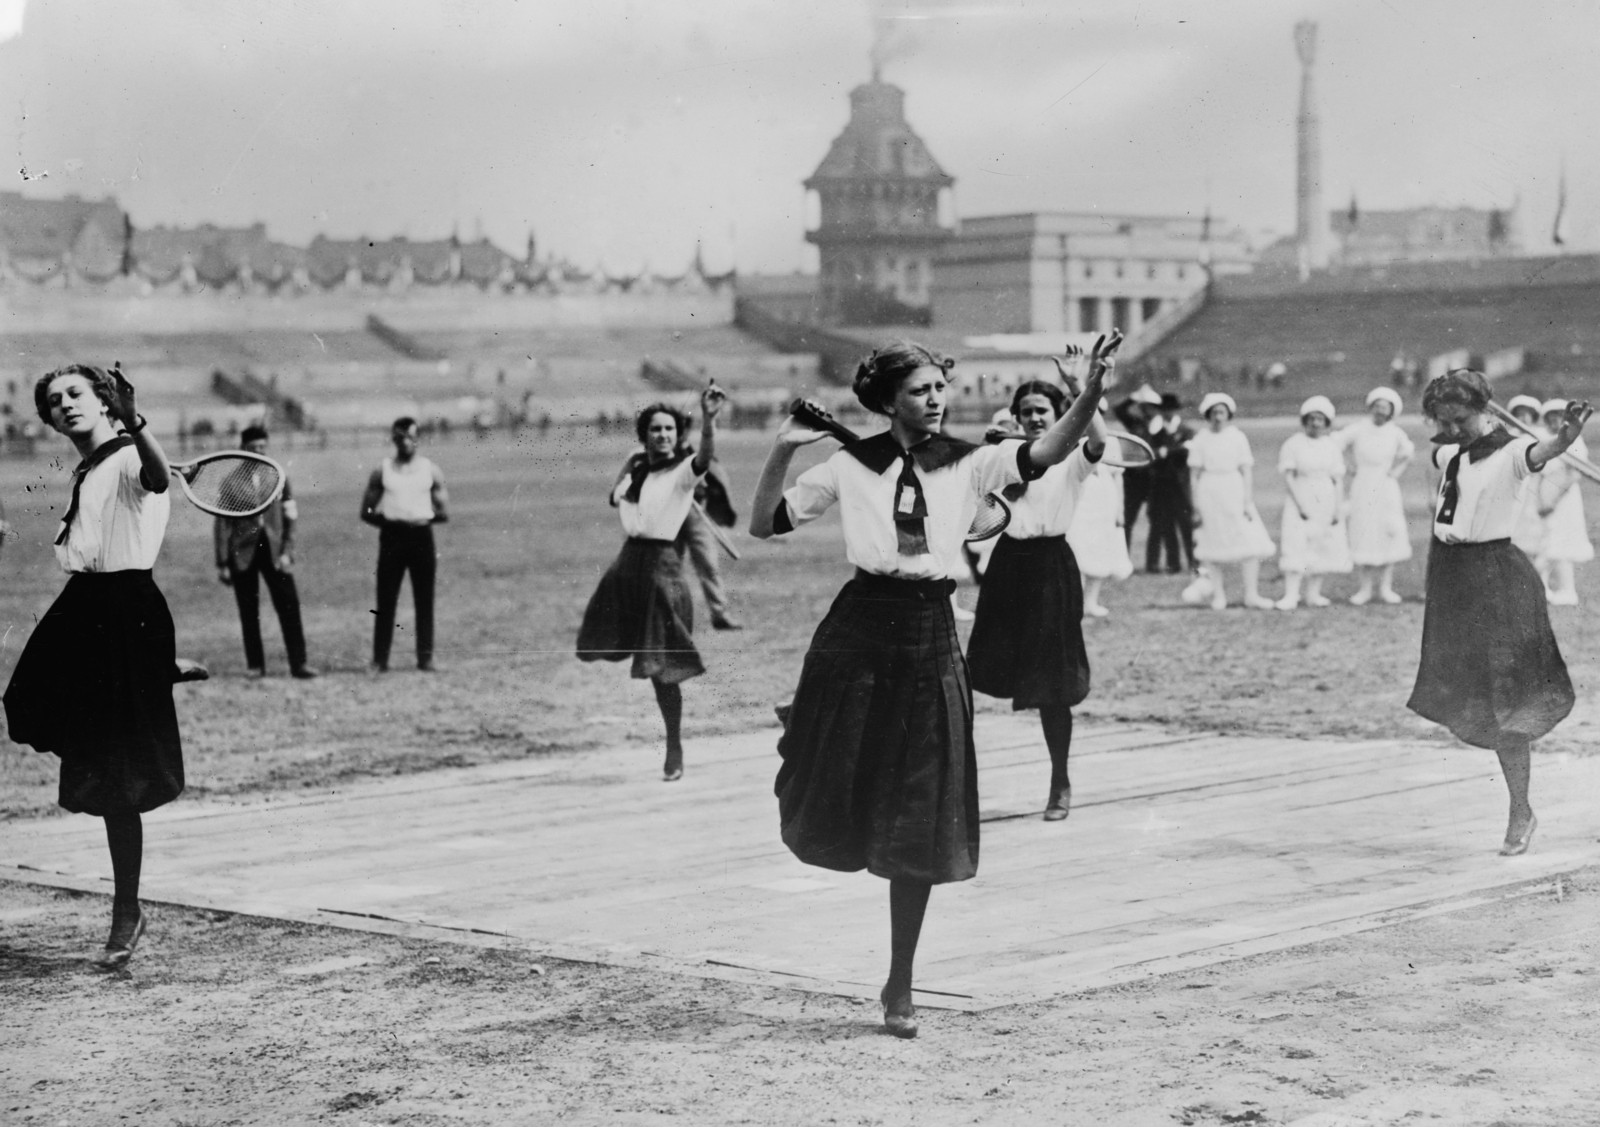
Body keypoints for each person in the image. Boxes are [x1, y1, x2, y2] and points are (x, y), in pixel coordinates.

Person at [749, 335, 1116, 1039]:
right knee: (835, 768)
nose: (936, 399)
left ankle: (900, 983)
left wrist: (1090, 391)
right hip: (858, 627)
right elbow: (765, 523)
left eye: (940, 387)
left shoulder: (975, 462)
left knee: (922, 803)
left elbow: (1051, 450)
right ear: (887, 401)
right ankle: (813, 727)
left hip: (928, 631)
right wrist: (783, 450)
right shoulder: (848, 465)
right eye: (920, 390)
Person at [3, 364, 182, 967]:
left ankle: (127, 911)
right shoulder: (92, 465)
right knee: (25, 702)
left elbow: (155, 478)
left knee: (116, 777)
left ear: (104, 400)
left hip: (125, 609)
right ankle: (155, 674)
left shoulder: (131, 453)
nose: (65, 405)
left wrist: (135, 422)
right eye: (54, 402)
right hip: (87, 611)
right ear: (50, 420)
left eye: (76, 393)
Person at [1407, 369, 1588, 857]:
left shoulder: (1512, 453)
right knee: (1472, 696)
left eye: (1459, 419)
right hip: (1454, 578)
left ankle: (1520, 811)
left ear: (1483, 411)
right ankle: (1520, 804)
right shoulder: (1450, 449)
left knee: (1508, 702)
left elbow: (1539, 454)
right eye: (1443, 421)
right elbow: (1440, 452)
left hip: (1498, 579)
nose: (1451, 429)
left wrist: (1563, 439)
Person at [969, 363, 1108, 821]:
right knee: (971, 675)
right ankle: (956, 786)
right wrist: (1000, 447)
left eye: (1043, 410)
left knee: (1053, 685)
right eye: (1025, 411)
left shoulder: (1071, 459)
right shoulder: (1003, 457)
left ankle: (1059, 783)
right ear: (1014, 417)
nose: (1034, 418)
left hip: (1052, 570)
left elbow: (1099, 442)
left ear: (1058, 413)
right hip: (1008, 567)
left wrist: (1079, 386)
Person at [578, 386, 726, 781]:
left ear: (678, 435)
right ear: (644, 435)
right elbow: (616, 497)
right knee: (604, 638)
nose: (662, 435)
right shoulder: (636, 469)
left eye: (669, 430)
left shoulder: (683, 473)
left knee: (661, 667)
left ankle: (673, 746)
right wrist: (631, 465)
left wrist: (708, 420)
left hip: (662, 567)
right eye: (655, 430)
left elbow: (705, 458)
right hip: (627, 565)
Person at [214, 424, 317, 678]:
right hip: (242, 553)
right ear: (243, 449)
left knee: (289, 604)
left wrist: (287, 551)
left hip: (274, 550)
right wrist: (223, 562)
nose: (258, 451)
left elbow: (291, 516)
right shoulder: (229, 482)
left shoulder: (279, 476)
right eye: (253, 448)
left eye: (262, 447)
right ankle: (255, 666)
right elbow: (222, 523)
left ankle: (299, 664)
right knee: (249, 610)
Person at [360, 417, 449, 672]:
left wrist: (419, 516)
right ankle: (380, 660)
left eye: (409, 437)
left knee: (424, 599)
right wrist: (390, 522)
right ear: (394, 439)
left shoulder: (430, 470)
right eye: (399, 437)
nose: (404, 442)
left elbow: (443, 510)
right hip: (392, 538)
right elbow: (366, 510)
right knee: (386, 600)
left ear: (418, 439)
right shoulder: (383, 469)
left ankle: (425, 657)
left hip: (421, 537)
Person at [1184, 392, 1275, 609]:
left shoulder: (1237, 437)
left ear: (1228, 415)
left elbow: (1246, 470)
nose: (1218, 417)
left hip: (1234, 491)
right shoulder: (1200, 439)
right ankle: (1218, 596)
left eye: (1222, 412)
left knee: (1250, 544)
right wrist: (1196, 505)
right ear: (1208, 415)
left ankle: (1251, 594)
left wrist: (1246, 500)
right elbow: (1194, 475)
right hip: (1210, 493)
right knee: (1212, 546)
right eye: (1214, 413)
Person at [1337, 387, 1415, 605]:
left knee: (1387, 531)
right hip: (1363, 485)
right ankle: (1365, 589)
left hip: (1386, 487)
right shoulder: (1359, 429)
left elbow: (1408, 453)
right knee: (1364, 531)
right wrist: (1349, 465)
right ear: (1370, 407)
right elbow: (1336, 443)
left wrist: (1395, 472)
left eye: (1385, 407)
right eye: (1377, 406)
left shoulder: (1395, 432)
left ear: (1391, 411)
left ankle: (1385, 588)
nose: (1380, 411)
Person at [1275, 395, 1353, 609]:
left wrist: (1338, 508)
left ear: (1327, 422)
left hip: (1326, 498)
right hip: (1301, 495)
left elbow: (1337, 479)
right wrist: (1300, 505)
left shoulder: (1331, 446)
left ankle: (1313, 594)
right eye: (1311, 418)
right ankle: (1291, 594)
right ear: (1304, 420)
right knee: (1296, 542)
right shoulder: (1293, 443)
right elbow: (1289, 477)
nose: (1315, 423)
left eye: (1320, 419)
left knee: (1321, 543)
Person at [1067, 399, 1133, 617]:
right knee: (1076, 550)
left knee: (1099, 550)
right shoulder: (1069, 438)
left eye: (1097, 413)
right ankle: (1073, 602)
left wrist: (1120, 510)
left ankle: (1091, 602)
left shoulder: (1110, 441)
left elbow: (1118, 478)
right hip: (1079, 498)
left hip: (1104, 499)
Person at [1534, 399, 1594, 605]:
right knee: (1544, 543)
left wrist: (1553, 498)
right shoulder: (1544, 440)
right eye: (1549, 420)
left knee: (1562, 544)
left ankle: (1567, 590)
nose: (1554, 424)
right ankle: (1543, 589)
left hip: (1564, 499)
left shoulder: (1574, 441)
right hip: (1544, 497)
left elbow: (1574, 472)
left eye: (1557, 419)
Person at [678, 457, 743, 630]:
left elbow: (708, 483)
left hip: (696, 514)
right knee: (668, 566)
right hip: (668, 514)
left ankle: (720, 614)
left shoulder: (693, 452)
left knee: (709, 564)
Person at [1145, 392, 1196, 573]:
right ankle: (1173, 563)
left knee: (1186, 525)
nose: (1168, 413)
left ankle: (1193, 561)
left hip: (1181, 485)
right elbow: (1151, 453)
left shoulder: (1186, 430)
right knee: (1167, 527)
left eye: (1171, 410)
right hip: (1161, 486)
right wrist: (1167, 450)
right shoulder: (1156, 431)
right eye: (1165, 410)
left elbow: (1188, 451)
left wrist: (1166, 451)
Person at [1112, 385, 1162, 549]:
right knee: (1128, 518)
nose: (1148, 410)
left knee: (1157, 520)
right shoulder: (1136, 423)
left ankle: (1152, 563)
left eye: (1152, 407)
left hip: (1155, 479)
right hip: (1135, 477)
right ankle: (1123, 555)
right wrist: (1134, 396)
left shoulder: (1162, 426)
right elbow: (1119, 409)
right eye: (1145, 406)